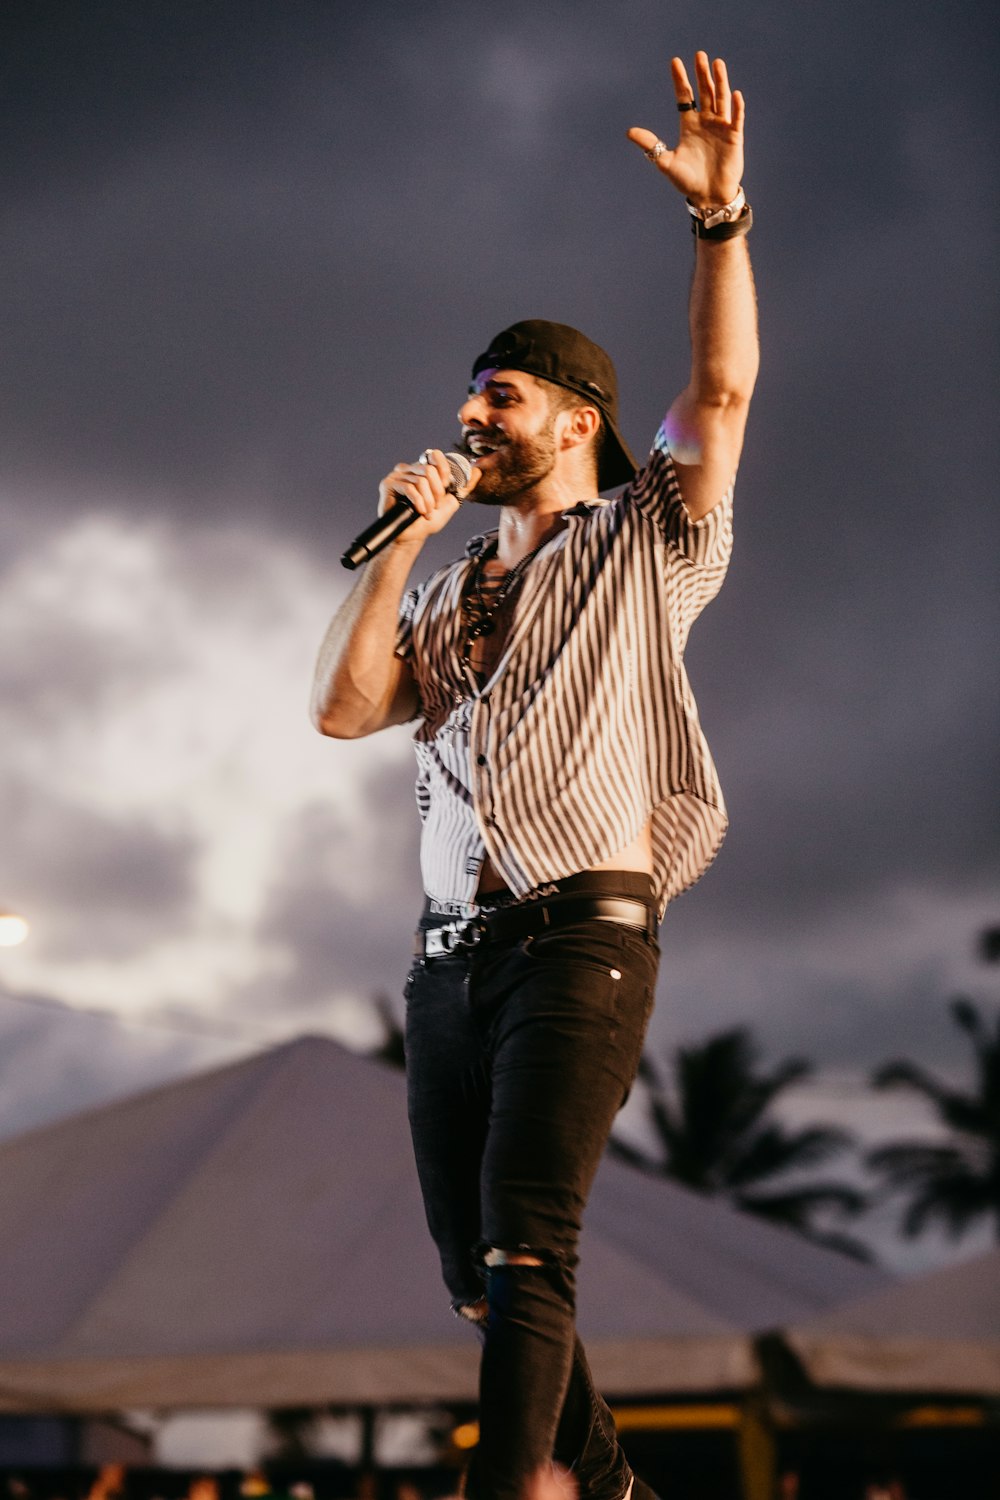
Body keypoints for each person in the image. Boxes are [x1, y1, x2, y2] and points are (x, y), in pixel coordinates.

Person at [311, 49, 758, 1500]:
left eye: (500, 397)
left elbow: (725, 389)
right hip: (451, 964)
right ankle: (618, 1486)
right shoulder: (450, 601)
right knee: (479, 1283)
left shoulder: (643, 540)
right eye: (466, 400)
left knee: (528, 1247)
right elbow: (341, 710)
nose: (472, 418)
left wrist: (718, 222)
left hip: (583, 935)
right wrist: (398, 550)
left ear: (574, 415)